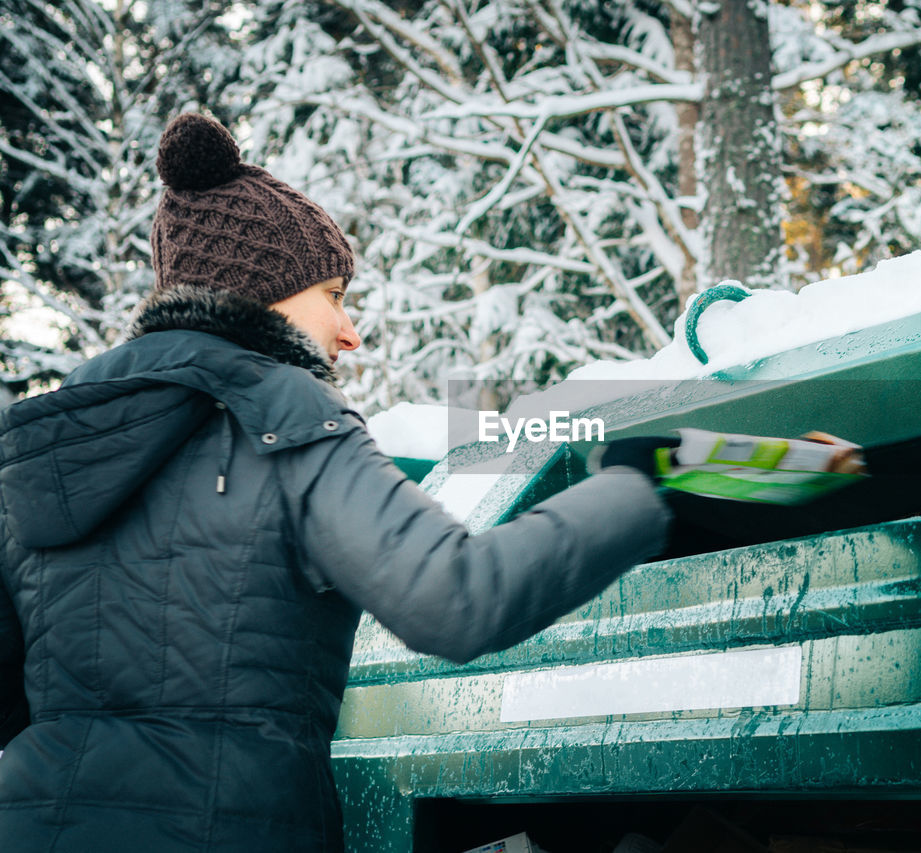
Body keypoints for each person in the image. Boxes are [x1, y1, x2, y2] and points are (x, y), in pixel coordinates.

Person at [0, 113, 671, 852]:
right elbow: (458, 597)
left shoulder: (43, 451)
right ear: (263, 291)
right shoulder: (286, 416)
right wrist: (635, 489)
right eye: (333, 292)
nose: (350, 331)